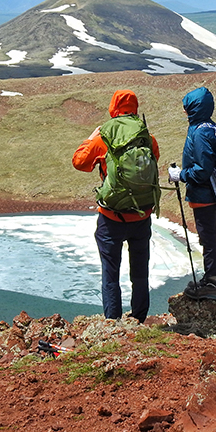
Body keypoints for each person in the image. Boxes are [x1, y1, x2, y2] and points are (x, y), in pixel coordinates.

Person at [72, 89, 159, 323]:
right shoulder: (146, 137)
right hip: (141, 215)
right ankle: (139, 318)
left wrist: (90, 138)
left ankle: (113, 323)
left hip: (112, 217)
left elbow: (79, 162)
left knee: (111, 272)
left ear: (113, 107)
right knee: (140, 271)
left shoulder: (104, 136)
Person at [168, 86, 216, 301]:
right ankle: (210, 279)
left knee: (208, 238)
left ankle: (210, 284)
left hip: (204, 197)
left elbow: (202, 170)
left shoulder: (200, 132)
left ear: (195, 108)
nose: (184, 111)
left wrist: (180, 175)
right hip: (211, 195)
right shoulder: (206, 127)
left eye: (187, 107)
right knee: (208, 236)